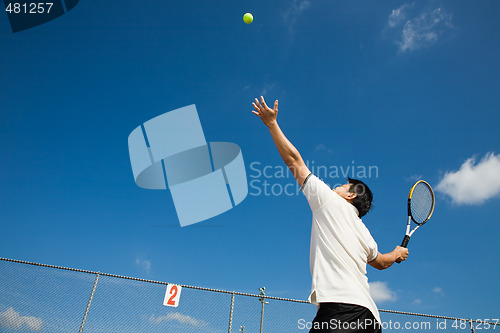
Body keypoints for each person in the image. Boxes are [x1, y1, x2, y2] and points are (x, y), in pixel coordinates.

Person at [252, 96, 409, 333]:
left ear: (351, 196)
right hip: (370, 318)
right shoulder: (364, 233)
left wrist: (271, 124)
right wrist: (396, 252)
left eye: (343, 186)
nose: (337, 186)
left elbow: (294, 160)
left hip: (341, 312)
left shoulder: (329, 203)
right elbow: (381, 263)